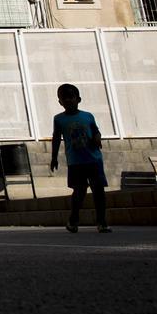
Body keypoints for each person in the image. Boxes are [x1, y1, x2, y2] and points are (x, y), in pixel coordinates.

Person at [49, 83, 111, 233]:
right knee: (79, 191)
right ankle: (73, 220)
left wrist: (97, 138)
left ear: (78, 99)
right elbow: (56, 138)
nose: (68, 101)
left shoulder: (88, 116)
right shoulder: (59, 119)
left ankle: (102, 222)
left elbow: (96, 131)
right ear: (60, 102)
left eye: (71, 97)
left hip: (93, 159)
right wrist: (54, 157)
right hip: (75, 162)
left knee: (98, 190)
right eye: (65, 98)